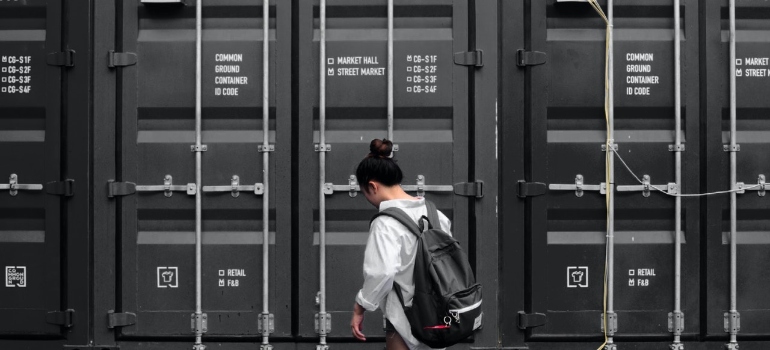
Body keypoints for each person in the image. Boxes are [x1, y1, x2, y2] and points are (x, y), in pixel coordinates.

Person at [349, 138, 452, 350]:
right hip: (441, 317)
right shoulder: (435, 214)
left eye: (365, 193)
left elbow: (382, 272)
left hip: (405, 320)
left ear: (372, 186)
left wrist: (360, 307)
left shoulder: (385, 223)